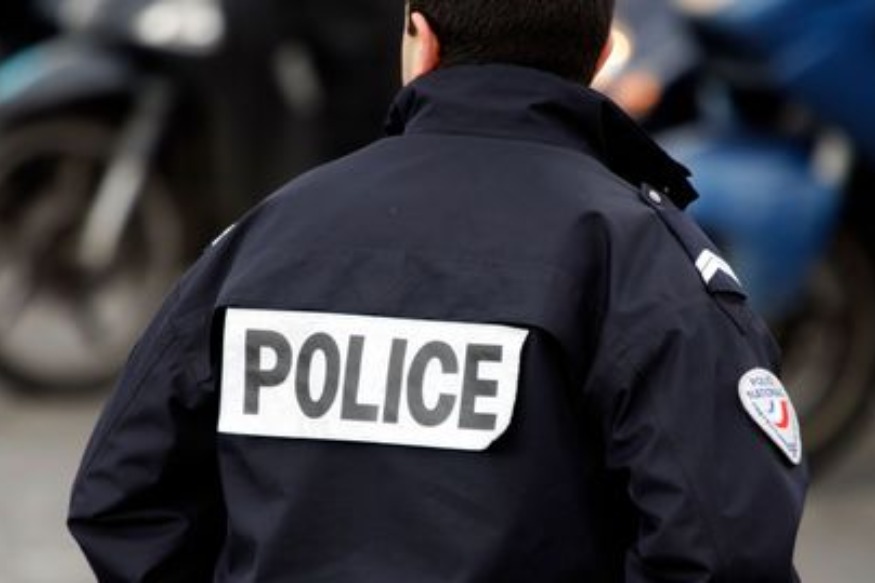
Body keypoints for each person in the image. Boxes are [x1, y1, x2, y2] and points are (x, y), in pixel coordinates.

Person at [68, 0, 808, 580]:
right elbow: (724, 547)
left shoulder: (268, 233)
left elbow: (124, 496)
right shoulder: (643, 257)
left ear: (420, 42)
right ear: (599, 57)